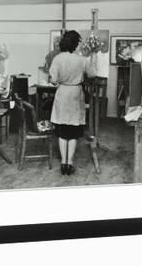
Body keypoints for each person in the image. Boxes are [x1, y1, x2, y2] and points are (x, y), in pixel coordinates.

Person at [49, 30, 96, 175]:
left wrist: (61, 80)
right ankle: (70, 163)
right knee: (73, 132)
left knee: (63, 132)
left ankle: (63, 164)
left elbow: (53, 80)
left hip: (62, 93)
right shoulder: (81, 60)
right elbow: (92, 74)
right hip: (76, 94)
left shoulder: (57, 59)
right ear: (75, 44)